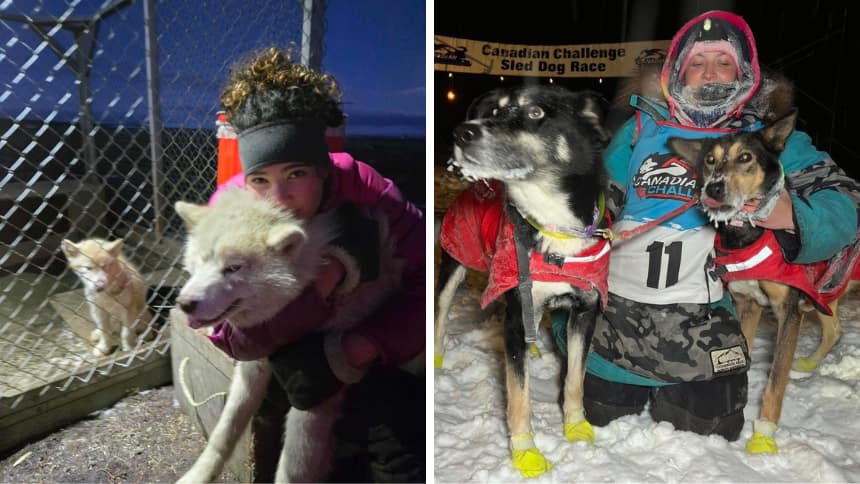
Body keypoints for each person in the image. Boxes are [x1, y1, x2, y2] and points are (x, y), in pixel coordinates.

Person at [552, 10, 860, 449]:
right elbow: (598, 195)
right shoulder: (641, 128)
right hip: (619, 318)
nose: (710, 72)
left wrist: (791, 214)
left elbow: (845, 201)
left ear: (744, 73)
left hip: (703, 324)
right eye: (697, 62)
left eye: (723, 62)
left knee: (713, 425)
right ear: (678, 74)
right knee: (599, 414)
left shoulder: (766, 138)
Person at [204, 46, 425, 482]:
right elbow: (228, 336)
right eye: (260, 180)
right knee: (287, 394)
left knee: (398, 435)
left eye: (296, 174)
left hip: (370, 337)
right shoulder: (228, 210)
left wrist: (356, 347)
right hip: (283, 350)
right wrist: (323, 284)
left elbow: (422, 287)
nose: (279, 199)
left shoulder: (367, 190)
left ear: (322, 169)